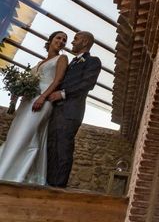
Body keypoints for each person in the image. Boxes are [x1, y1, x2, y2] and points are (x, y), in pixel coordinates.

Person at [0, 31, 69, 184]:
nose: (62, 41)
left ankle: (13, 175)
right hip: (26, 102)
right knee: (15, 134)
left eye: (64, 40)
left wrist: (43, 97)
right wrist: (16, 95)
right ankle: (9, 170)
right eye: (58, 38)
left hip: (42, 101)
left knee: (28, 134)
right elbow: (29, 83)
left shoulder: (62, 58)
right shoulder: (39, 63)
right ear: (50, 40)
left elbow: (57, 80)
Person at [46, 31, 101, 187]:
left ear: (84, 42)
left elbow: (87, 84)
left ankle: (59, 186)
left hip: (71, 112)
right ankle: (48, 182)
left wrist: (63, 94)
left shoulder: (93, 61)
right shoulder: (71, 63)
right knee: (51, 146)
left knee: (63, 147)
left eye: (75, 39)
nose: (71, 42)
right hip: (56, 111)